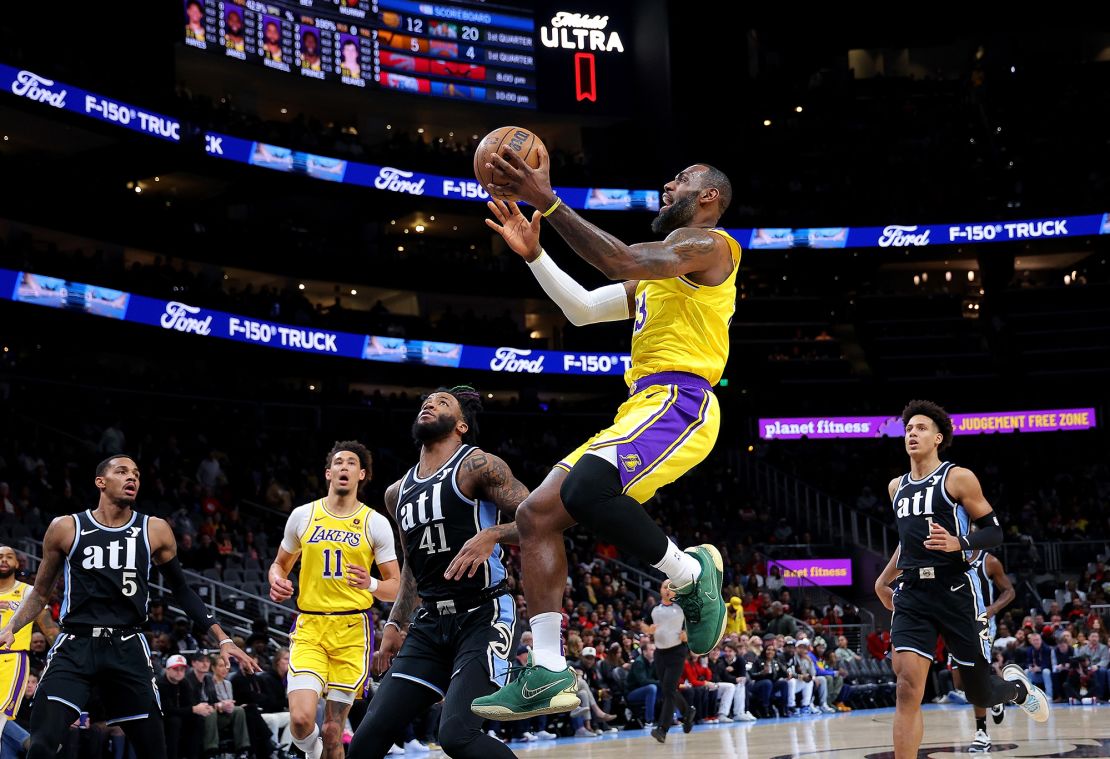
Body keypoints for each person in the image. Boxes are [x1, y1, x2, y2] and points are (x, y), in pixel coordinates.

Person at [472, 151, 737, 720]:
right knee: (535, 515)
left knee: (587, 488)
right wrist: (536, 254)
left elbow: (618, 258)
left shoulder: (710, 246)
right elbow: (585, 309)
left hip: (680, 399)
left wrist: (549, 202)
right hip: (640, 406)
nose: (668, 183)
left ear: (709, 197)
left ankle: (692, 575)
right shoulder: (656, 280)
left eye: (683, 179)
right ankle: (546, 670)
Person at [0, 455, 257, 759]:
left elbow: (183, 591)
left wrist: (223, 639)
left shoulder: (156, 530)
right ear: (101, 482)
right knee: (42, 744)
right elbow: (41, 593)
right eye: (121, 472)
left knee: (154, 750)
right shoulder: (66, 527)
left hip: (127, 646)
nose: (132, 477)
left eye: (136, 473)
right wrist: (11, 627)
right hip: (75, 644)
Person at [347, 387, 529, 759]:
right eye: (426, 401)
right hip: (430, 623)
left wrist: (493, 533)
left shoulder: (477, 464)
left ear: (461, 425)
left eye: (443, 401)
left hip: (483, 613)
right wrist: (395, 626)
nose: (430, 403)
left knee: (457, 735)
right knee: (366, 741)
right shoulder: (397, 493)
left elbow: (538, 519)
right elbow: (413, 567)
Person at [877, 401, 1048, 759]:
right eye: (908, 429)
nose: (912, 433)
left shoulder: (957, 477)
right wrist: (883, 579)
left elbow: (994, 532)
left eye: (921, 428)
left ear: (938, 438)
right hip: (912, 591)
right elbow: (907, 542)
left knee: (980, 693)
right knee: (907, 686)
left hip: (955, 588)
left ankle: (1016, 690)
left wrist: (960, 542)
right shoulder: (896, 487)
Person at [269, 441, 401, 759]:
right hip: (310, 626)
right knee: (301, 721)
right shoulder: (303, 515)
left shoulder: (375, 522)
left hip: (352, 630)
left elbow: (395, 587)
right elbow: (279, 565)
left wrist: (369, 583)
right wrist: (276, 580)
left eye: (351, 463)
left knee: (332, 731)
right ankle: (312, 753)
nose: (344, 467)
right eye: (338, 462)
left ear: (362, 474)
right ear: (328, 473)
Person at [0, 545, 57, 742]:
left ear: (17, 563)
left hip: (11, 659)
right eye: (0, 557)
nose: (4, 560)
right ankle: (26, 743)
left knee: (1, 717)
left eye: (9, 557)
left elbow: (49, 629)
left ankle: (27, 743)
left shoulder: (28, 592)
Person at [642, 581, 695, 743]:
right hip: (659, 653)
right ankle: (687, 712)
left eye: (672, 588)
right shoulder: (654, 609)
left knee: (668, 689)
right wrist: (647, 630)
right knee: (668, 690)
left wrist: (687, 633)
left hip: (677, 652)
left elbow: (693, 626)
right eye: (665, 587)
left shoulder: (682, 608)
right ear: (660, 590)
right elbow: (644, 624)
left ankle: (662, 729)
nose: (668, 590)